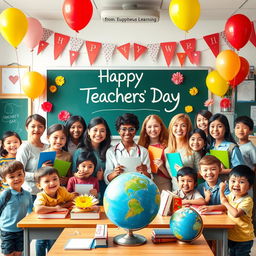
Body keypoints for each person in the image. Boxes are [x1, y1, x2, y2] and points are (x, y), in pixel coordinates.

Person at [34, 166, 77, 256]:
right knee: (41, 241)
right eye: (47, 181)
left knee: (53, 241)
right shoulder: (41, 195)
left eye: (55, 179)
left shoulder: (62, 190)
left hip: (56, 223)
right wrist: (56, 208)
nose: (52, 183)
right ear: (39, 186)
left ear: (59, 180)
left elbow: (73, 200)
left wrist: (62, 205)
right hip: (42, 224)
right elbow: (38, 209)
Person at [104, 113, 151, 184]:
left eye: (131, 129)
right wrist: (115, 173)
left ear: (136, 131)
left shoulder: (143, 151)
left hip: (138, 189)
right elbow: (107, 179)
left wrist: (144, 172)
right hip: (118, 190)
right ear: (118, 131)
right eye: (123, 129)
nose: (127, 132)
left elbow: (150, 178)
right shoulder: (111, 151)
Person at [72, 117, 111, 203]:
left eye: (102, 131)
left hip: (106, 190)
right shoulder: (80, 151)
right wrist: (78, 175)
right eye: (95, 130)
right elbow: (73, 172)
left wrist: (103, 177)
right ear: (89, 131)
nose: (98, 134)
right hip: (86, 192)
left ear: (106, 133)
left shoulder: (110, 150)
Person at [220, 165, 255, 256]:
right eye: (233, 181)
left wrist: (225, 202)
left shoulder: (247, 200)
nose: (236, 184)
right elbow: (223, 204)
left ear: (250, 186)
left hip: (243, 238)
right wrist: (221, 191)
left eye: (241, 182)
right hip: (231, 235)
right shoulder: (231, 196)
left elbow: (235, 213)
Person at [0, 161, 33, 256]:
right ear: (4, 180)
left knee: (19, 253)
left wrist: (28, 224)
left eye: (19, 174)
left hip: (21, 230)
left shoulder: (27, 194)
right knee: (8, 254)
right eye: (12, 177)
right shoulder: (5, 194)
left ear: (24, 174)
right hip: (7, 230)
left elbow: (31, 212)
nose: (17, 178)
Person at [165, 113, 201, 190]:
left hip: (191, 194)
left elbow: (202, 174)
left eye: (183, 126)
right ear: (171, 127)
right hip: (175, 192)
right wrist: (161, 167)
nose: (179, 129)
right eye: (176, 125)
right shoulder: (167, 150)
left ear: (188, 129)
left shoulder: (193, 149)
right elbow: (171, 176)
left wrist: (185, 171)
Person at [16, 114, 48, 198]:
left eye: (40, 126)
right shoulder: (24, 148)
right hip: (30, 193)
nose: (36, 129)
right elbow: (18, 173)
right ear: (27, 128)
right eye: (33, 126)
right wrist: (39, 173)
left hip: (47, 192)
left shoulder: (48, 147)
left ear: (44, 129)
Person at [138, 114, 170, 192]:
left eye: (156, 126)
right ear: (145, 129)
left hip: (163, 183)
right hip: (145, 183)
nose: (153, 129)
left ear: (161, 127)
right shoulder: (140, 147)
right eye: (149, 127)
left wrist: (162, 167)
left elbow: (172, 176)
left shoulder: (168, 146)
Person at [208, 114, 244, 178]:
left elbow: (240, 170)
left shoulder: (232, 148)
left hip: (227, 184)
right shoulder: (209, 147)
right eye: (212, 126)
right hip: (211, 184)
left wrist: (222, 171)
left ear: (226, 128)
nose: (215, 129)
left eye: (219, 126)